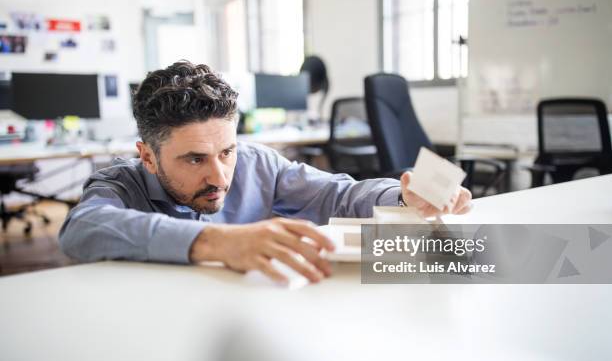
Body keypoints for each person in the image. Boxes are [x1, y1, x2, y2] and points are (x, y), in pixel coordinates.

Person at [59, 61, 472, 283]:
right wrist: (218, 243)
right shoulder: (120, 182)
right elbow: (82, 229)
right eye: (194, 159)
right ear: (147, 157)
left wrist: (402, 197)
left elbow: (336, 195)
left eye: (227, 151)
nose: (221, 177)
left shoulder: (258, 164)